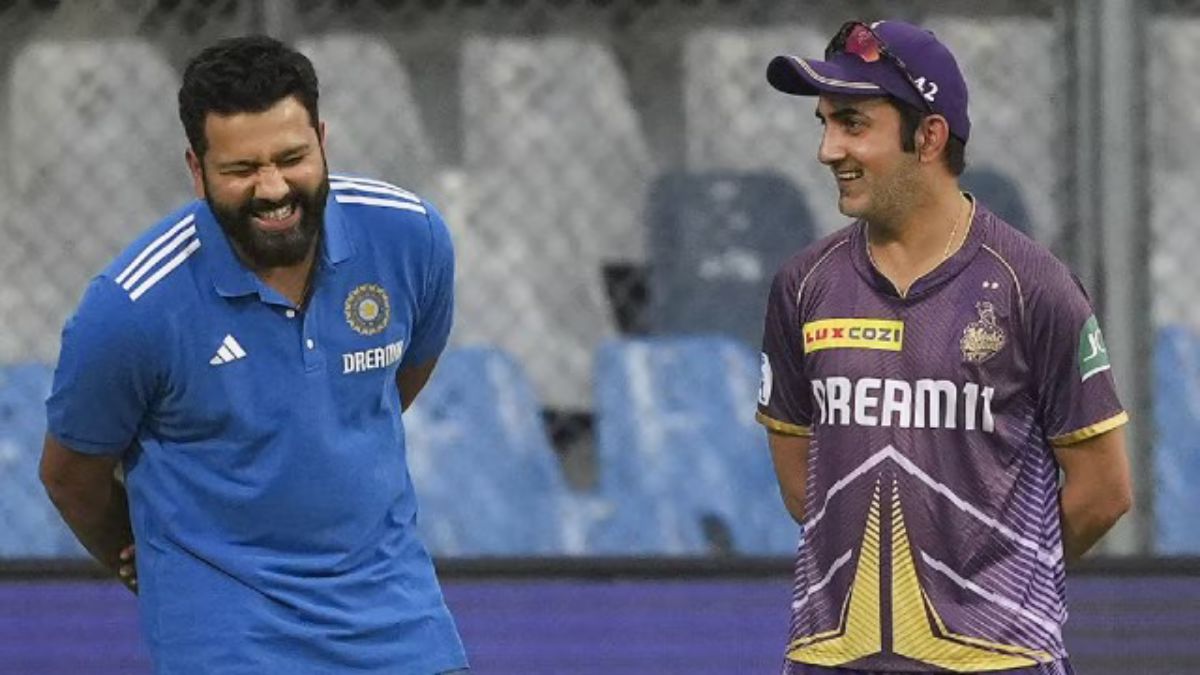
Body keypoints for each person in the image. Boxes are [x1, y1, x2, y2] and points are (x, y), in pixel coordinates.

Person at [38, 35, 468, 674]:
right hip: (229, 643)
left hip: (401, 626)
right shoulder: (129, 309)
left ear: (323, 139)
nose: (272, 188)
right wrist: (150, 554)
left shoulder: (412, 238)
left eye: (292, 157)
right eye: (240, 170)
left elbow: (399, 378)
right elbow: (70, 474)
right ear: (196, 168)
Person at [755, 20, 1132, 675]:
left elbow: (1104, 489)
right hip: (833, 656)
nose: (827, 149)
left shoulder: (1032, 286)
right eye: (824, 124)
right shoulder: (803, 284)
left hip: (999, 660)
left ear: (928, 136)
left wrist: (999, 577)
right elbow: (802, 482)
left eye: (851, 123)